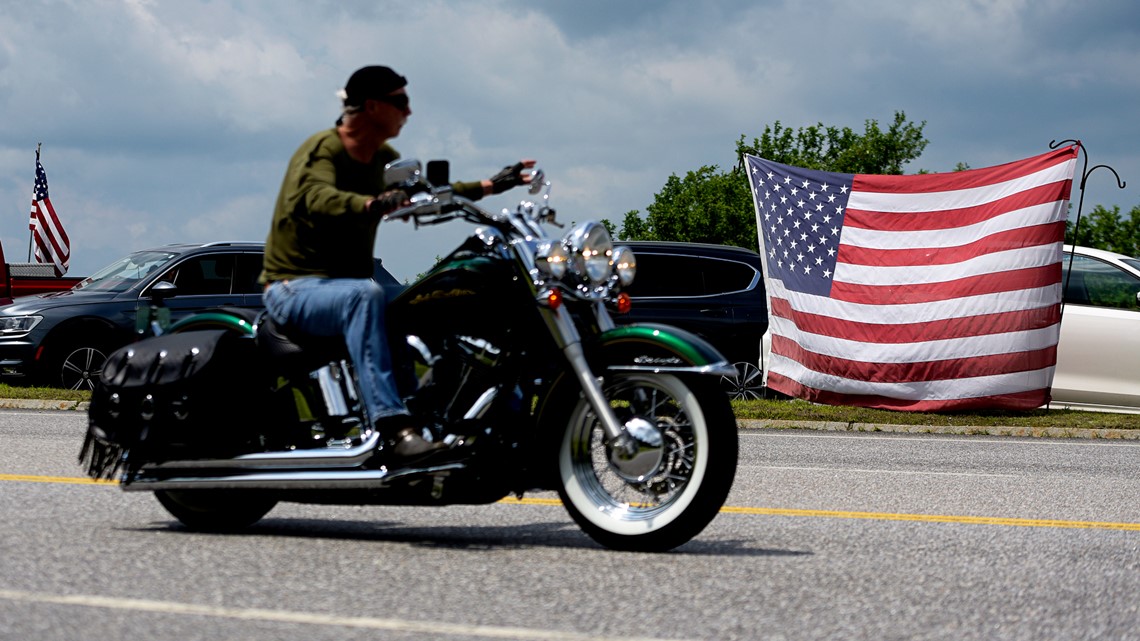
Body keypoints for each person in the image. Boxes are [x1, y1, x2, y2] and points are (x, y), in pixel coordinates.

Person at [260, 65, 534, 465]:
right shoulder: (324, 148)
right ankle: (393, 426)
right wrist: (370, 204)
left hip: (344, 288)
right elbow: (317, 196)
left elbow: (430, 191)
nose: (409, 111)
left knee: (430, 300)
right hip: (294, 288)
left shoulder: (384, 158)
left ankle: (434, 411)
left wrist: (495, 184)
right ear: (372, 106)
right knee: (366, 295)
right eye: (401, 102)